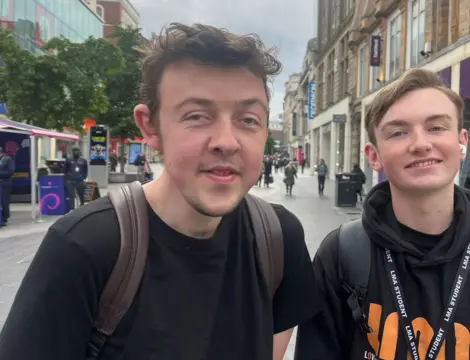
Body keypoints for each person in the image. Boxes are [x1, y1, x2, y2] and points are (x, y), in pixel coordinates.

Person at [0, 23, 319, 360]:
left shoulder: (279, 240)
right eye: (197, 116)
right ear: (150, 127)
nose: (226, 141)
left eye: (249, 119)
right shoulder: (85, 247)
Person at [294, 69, 470, 360]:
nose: (420, 144)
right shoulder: (341, 256)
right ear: (374, 156)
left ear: (462, 142)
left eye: (437, 128)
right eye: (398, 132)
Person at [0, 146, 15, 224]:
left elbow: (11, 172)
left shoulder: (7, 159)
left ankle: (5, 217)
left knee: (4, 201)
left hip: (5, 183)